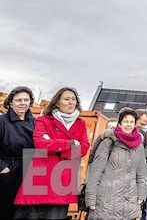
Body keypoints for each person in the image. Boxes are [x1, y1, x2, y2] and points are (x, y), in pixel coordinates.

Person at [14, 86, 90, 220]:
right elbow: (40, 144)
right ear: (57, 102)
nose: (71, 102)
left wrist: (55, 145)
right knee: (32, 214)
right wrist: (70, 144)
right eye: (66, 99)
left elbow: (83, 148)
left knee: (56, 215)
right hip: (40, 176)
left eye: (74, 99)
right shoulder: (44, 120)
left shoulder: (80, 124)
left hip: (63, 177)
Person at [85, 107, 147, 219]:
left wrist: (142, 195)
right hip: (106, 201)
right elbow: (96, 172)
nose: (128, 124)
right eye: (126, 121)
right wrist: (91, 198)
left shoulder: (139, 145)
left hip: (129, 201)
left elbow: (142, 173)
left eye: (131, 122)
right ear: (119, 124)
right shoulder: (108, 141)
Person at [0, 86, 36, 220]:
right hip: (8, 171)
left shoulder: (34, 122)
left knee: (25, 213)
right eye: (18, 100)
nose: (23, 103)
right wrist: (2, 167)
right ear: (10, 102)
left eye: (26, 100)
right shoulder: (2, 121)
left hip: (29, 172)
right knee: (5, 211)